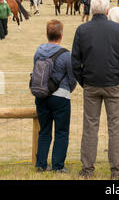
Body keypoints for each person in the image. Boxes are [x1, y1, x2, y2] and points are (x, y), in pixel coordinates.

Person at [71, 0, 119, 179]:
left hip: (92, 83)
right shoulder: (118, 30)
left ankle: (87, 169)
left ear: (92, 10)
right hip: (114, 84)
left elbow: (75, 61)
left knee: (90, 127)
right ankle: (116, 171)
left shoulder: (82, 30)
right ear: (108, 10)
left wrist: (83, 80)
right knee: (116, 128)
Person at [33, 20, 77, 172]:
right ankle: (58, 166)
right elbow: (72, 78)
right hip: (61, 96)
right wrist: (68, 90)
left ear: (47, 34)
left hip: (41, 95)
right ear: (61, 35)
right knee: (61, 132)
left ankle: (41, 164)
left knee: (44, 131)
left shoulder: (38, 52)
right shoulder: (66, 55)